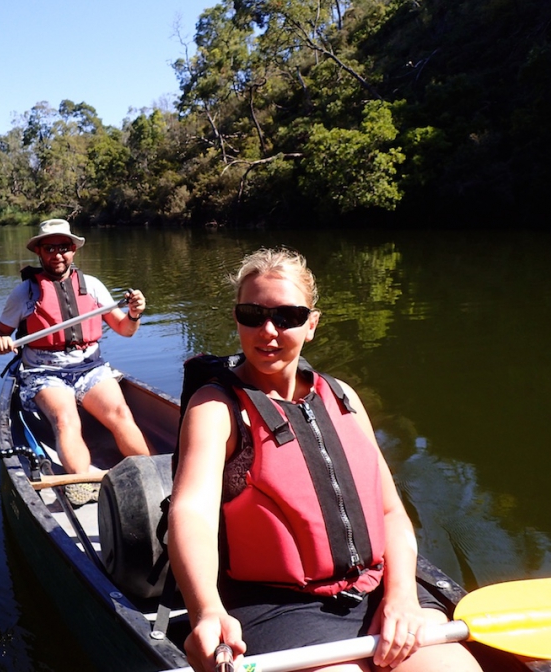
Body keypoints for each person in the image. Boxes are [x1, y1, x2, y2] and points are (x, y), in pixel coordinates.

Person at [167, 248, 483, 672]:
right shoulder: (216, 407)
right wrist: (206, 610)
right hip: (279, 607)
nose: (268, 331)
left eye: (288, 316)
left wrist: (402, 596)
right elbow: (193, 513)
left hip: (378, 590)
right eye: (252, 314)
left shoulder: (344, 397)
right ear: (236, 318)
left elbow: (390, 511)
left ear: (311, 324)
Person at [0, 219, 150, 504]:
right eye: (50, 247)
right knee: (66, 420)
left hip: (90, 367)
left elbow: (125, 329)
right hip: (45, 371)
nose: (57, 254)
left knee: (120, 414)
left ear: (73, 250)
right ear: (39, 252)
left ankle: (150, 473)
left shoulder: (94, 287)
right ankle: (83, 484)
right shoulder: (24, 293)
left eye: (64, 247)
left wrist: (134, 314)